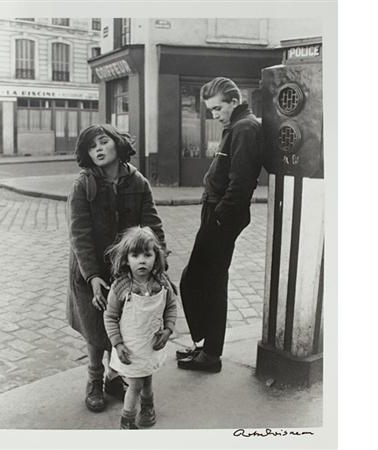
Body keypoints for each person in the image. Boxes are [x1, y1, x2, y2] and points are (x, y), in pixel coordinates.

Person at [66, 124, 167, 413]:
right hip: (90, 271)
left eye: (102, 142)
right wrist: (93, 276)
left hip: (126, 270)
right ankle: (94, 380)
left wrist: (160, 266)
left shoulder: (138, 183)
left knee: (122, 325)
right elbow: (79, 234)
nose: (97, 149)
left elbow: (153, 226)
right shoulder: (83, 184)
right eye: (90, 146)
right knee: (96, 328)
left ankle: (113, 377)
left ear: (117, 144)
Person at [177, 77, 264, 373]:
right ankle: (206, 347)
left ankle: (211, 354)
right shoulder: (238, 127)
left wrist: (219, 217)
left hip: (221, 215)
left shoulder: (245, 128)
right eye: (211, 110)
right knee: (200, 281)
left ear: (234, 101)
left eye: (217, 109)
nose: (214, 115)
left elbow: (242, 183)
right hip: (216, 211)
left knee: (205, 283)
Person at [104, 226, 177, 429]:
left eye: (147, 254)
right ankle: (127, 421)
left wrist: (168, 330)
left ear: (156, 256)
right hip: (130, 347)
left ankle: (148, 407)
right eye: (135, 255)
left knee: (147, 377)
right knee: (135, 383)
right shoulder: (121, 287)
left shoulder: (161, 283)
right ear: (127, 259)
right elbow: (110, 316)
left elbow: (171, 306)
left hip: (151, 344)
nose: (142, 260)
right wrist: (117, 344)